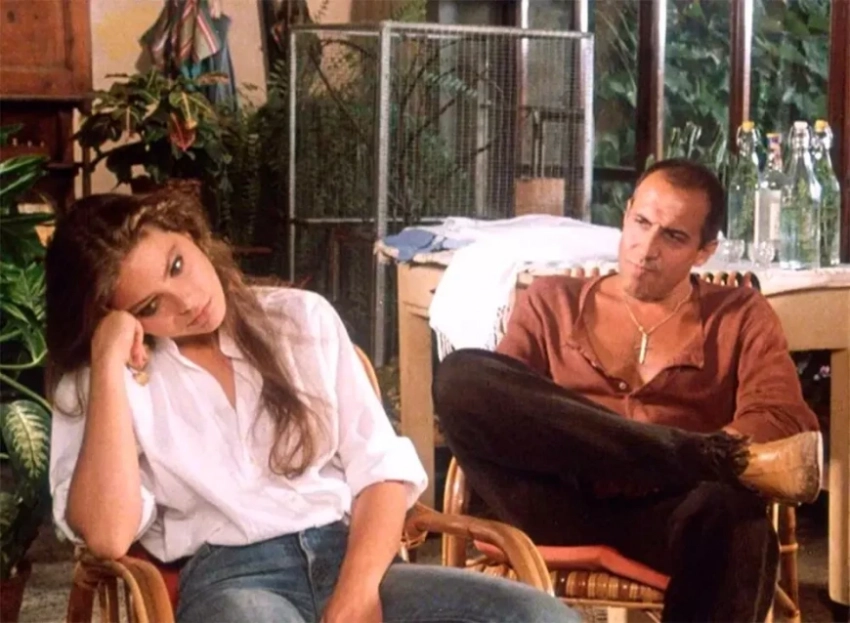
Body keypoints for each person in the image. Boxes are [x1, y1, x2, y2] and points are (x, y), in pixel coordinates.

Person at [46, 189, 577, 623]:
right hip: (233, 583)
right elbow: (108, 534)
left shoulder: (300, 320)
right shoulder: (104, 383)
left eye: (177, 265)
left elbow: (380, 474)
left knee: (538, 617)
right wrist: (107, 358)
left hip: (349, 557)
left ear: (187, 232)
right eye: (150, 305)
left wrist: (356, 595)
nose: (186, 301)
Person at [434, 159, 822, 622]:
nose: (647, 248)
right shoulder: (552, 300)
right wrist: (673, 453)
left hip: (670, 511)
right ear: (626, 216)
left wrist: (665, 470)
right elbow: (503, 407)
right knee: (460, 377)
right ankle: (685, 452)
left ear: (704, 251)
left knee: (739, 518)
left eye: (673, 236)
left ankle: (687, 458)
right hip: (553, 502)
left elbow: (782, 417)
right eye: (641, 222)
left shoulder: (739, 314)